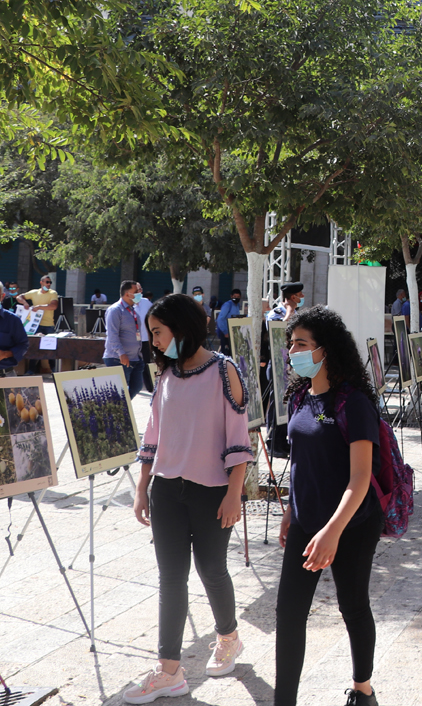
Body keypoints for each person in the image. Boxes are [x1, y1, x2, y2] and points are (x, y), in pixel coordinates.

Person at [126, 294, 252, 703]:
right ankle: (169, 670)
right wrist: (143, 486)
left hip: (212, 491)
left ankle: (228, 636)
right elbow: (153, 434)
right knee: (170, 579)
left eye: (158, 333)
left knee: (212, 570)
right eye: (152, 335)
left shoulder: (224, 371)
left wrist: (235, 493)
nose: (155, 342)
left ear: (181, 328)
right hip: (166, 490)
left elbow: (239, 441)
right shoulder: (165, 375)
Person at [276, 306, 385, 706]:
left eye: (301, 344)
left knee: (353, 606)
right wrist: (291, 509)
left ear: (326, 349)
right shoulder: (300, 395)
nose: (293, 351)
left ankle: (363, 689)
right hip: (306, 523)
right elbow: (301, 463)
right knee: (288, 616)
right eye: (291, 344)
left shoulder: (353, 403)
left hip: (351, 525)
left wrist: (333, 531)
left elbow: (359, 479)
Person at [103, 281, 147, 399]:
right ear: (127, 294)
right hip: (118, 359)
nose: (139, 294)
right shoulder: (115, 310)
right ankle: (116, 414)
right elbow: (112, 334)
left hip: (135, 358)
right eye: (136, 292)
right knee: (119, 392)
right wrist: (121, 353)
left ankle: (121, 410)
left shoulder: (133, 310)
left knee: (136, 387)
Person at [216, 289, 243, 356]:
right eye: (235, 296)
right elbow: (220, 319)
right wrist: (225, 332)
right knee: (225, 353)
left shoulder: (237, 305)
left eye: (238, 296)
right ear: (231, 296)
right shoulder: (227, 305)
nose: (236, 298)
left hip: (233, 332)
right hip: (226, 333)